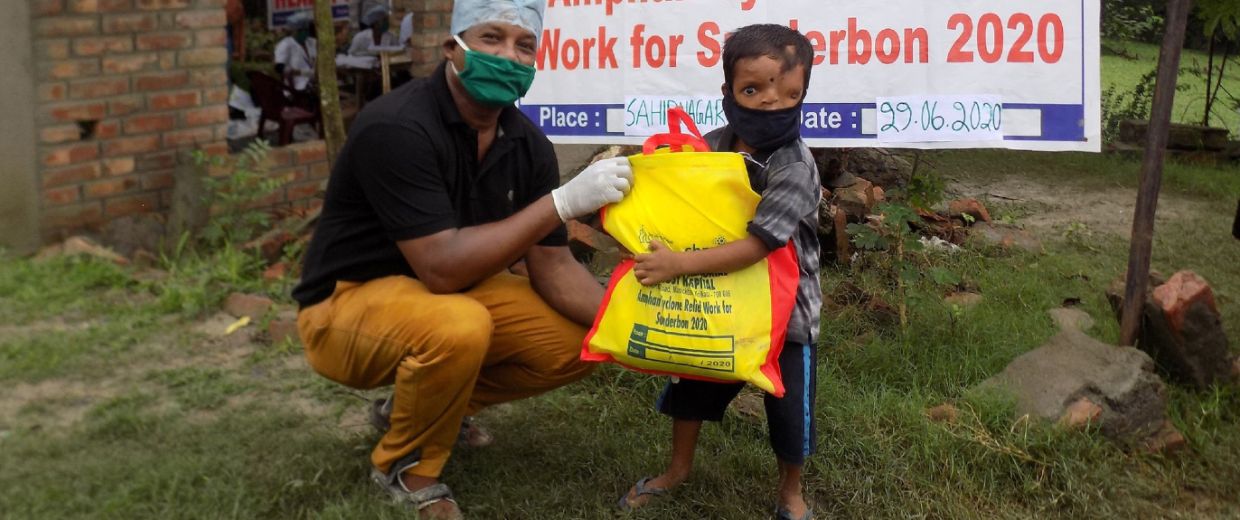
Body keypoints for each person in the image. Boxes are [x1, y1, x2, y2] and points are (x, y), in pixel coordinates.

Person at [291, 1, 634, 518]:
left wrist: (643, 333)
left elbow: (555, 269)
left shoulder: (527, 145)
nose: (507, 55)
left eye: (524, 46)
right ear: (453, 47)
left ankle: (416, 412)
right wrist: (560, 203)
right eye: (491, 37)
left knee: (580, 342)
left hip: (441, 298)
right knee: (460, 326)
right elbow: (442, 267)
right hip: (345, 307)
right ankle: (408, 468)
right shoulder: (398, 127)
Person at [617, 24, 823, 520]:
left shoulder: (793, 166)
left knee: (788, 407)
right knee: (694, 385)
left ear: (803, 94)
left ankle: (791, 492)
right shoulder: (710, 148)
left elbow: (759, 244)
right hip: (720, 300)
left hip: (785, 314)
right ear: (728, 92)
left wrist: (677, 265)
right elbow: (678, 196)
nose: (772, 103)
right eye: (753, 90)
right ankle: (677, 470)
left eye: (789, 92)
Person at [273, 11, 317, 93]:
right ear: (294, 31)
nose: (305, 32)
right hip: (295, 89)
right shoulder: (285, 44)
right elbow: (278, 67)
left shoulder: (312, 42)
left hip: (315, 85)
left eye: (306, 29)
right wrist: (302, 72)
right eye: (301, 30)